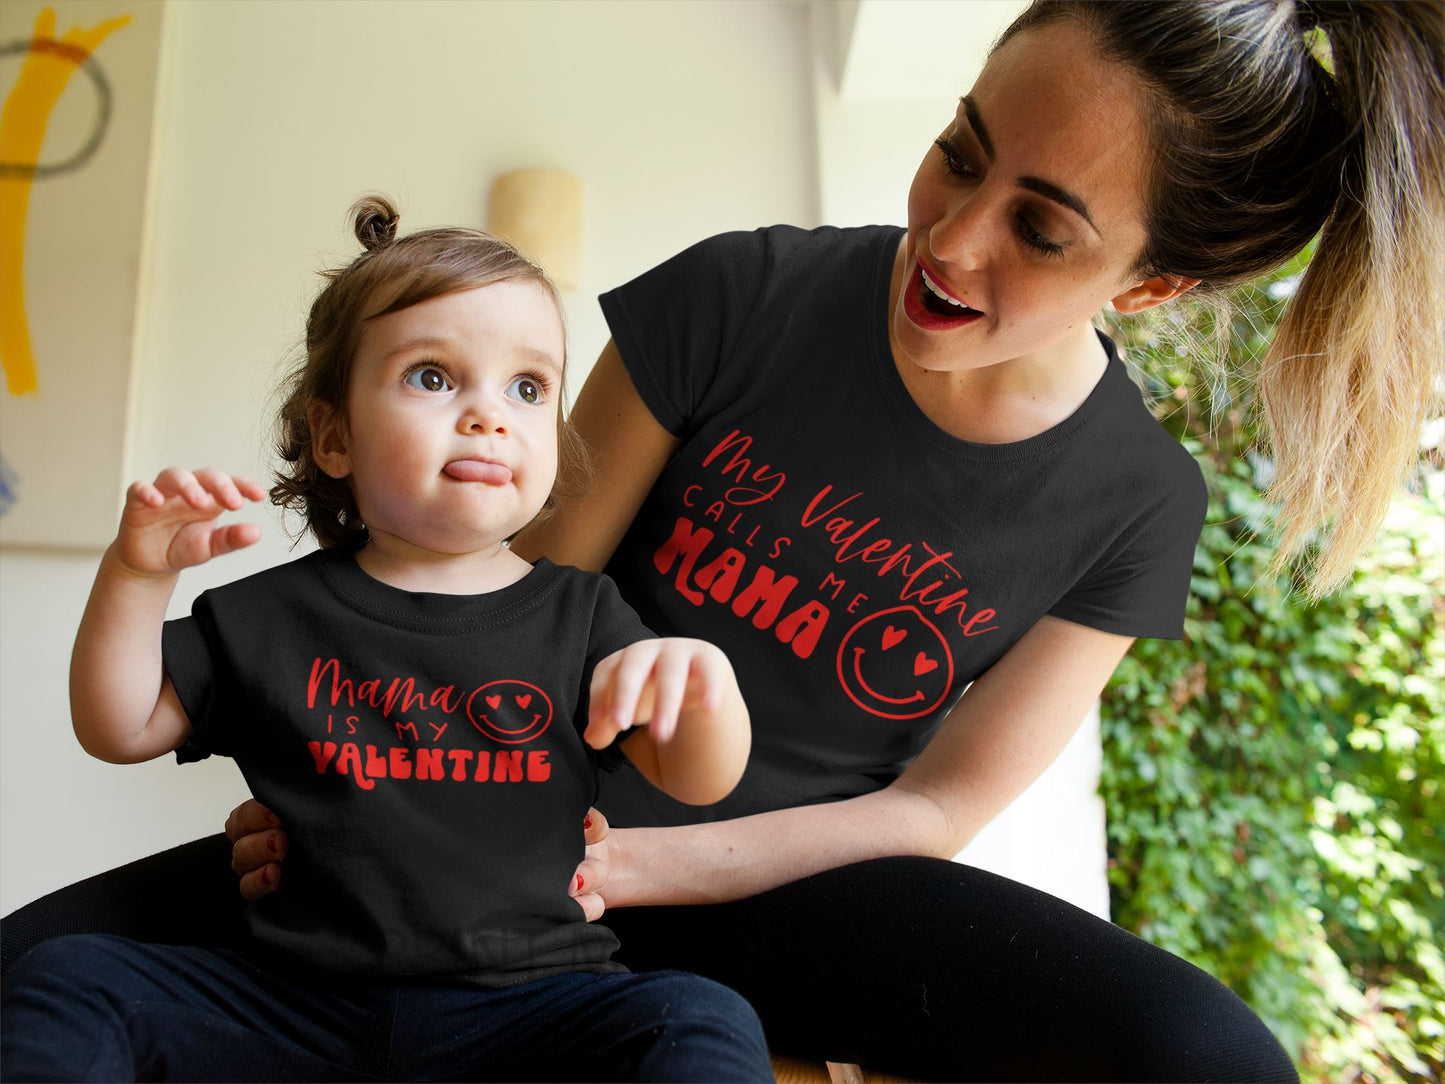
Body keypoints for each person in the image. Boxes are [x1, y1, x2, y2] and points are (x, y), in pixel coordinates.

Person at [6, 1, 1441, 1080]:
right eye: (958, 152)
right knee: (27, 979)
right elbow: (515, 584)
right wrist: (354, 795)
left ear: (1153, 282)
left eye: (1042, 230)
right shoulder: (736, 294)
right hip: (484, 837)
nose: (948, 239)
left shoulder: (1136, 505)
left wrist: (643, 871)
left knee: (1209, 1060)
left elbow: (935, 812)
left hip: (783, 892)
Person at [0, 199, 774, 1083]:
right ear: (333, 436)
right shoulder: (269, 613)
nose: (489, 414)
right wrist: (136, 577)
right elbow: (119, 726)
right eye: (434, 378)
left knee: (700, 1016)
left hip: (529, 1006)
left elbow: (699, 777)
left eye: (527, 388)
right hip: (291, 1002)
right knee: (71, 978)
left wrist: (703, 679)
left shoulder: (583, 617)